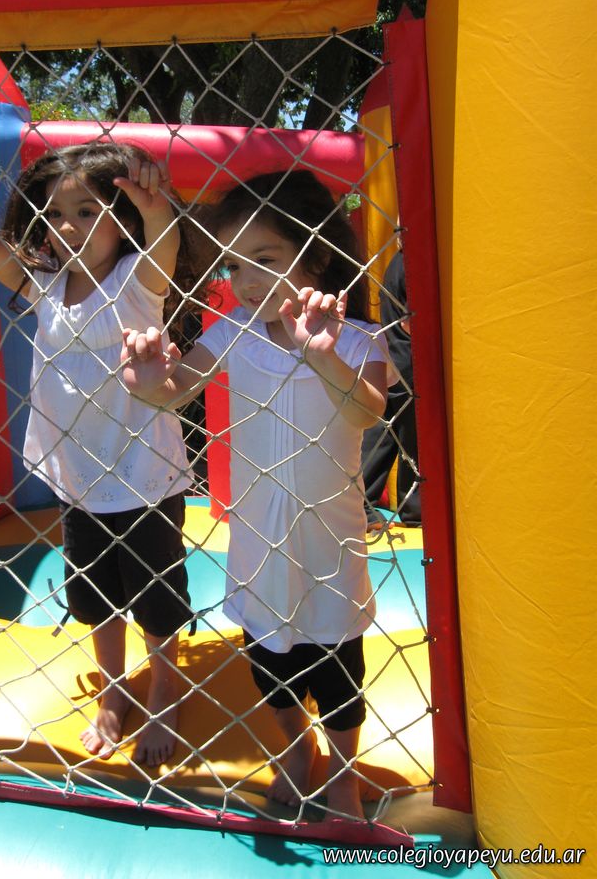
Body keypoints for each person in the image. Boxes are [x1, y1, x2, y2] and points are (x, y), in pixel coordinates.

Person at [121, 171, 393, 819]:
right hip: (260, 542)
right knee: (271, 669)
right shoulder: (232, 333)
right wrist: (146, 381)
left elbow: (367, 411)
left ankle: (344, 772)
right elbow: (175, 391)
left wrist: (322, 355)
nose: (245, 282)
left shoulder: (359, 340)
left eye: (264, 260)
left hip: (329, 543)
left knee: (339, 673)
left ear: (315, 257)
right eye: (233, 265)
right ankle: (297, 749)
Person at [0, 142, 194, 767]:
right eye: (57, 213)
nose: (69, 226)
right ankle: (115, 688)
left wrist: (155, 206)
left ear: (121, 220)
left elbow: (165, 246)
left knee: (155, 598)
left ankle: (164, 687)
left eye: (88, 211)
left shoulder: (134, 283)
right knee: (94, 596)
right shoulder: (46, 285)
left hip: (145, 476)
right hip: (79, 478)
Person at [362, 245, 421, 527]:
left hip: (393, 354)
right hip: (409, 357)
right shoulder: (412, 261)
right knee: (413, 437)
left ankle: (361, 500)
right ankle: (416, 509)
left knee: (382, 434)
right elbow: (411, 321)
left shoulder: (397, 263)